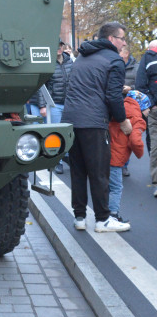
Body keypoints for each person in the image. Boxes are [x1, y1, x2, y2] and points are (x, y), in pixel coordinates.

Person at [61, 21, 132, 232]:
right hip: (93, 121)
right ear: (112, 39)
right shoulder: (114, 61)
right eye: (122, 39)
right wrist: (123, 120)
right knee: (100, 171)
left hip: (71, 119)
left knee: (78, 170)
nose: (124, 43)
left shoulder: (82, 56)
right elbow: (111, 95)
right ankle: (103, 219)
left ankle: (80, 217)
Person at [108, 90, 150, 223]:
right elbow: (135, 141)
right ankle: (113, 215)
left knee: (104, 186)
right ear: (142, 105)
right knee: (116, 188)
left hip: (104, 152)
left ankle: (102, 212)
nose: (148, 111)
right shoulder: (138, 120)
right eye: (148, 108)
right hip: (116, 158)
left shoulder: (118, 110)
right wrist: (140, 153)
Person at [45, 40, 73, 173]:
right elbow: (43, 86)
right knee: (56, 133)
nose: (59, 48)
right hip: (55, 104)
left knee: (69, 132)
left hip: (70, 103)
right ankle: (58, 162)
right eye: (56, 46)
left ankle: (67, 157)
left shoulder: (70, 62)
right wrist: (43, 105)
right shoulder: (48, 64)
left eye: (61, 45)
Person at [135, 39, 157, 197]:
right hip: (154, 109)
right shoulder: (148, 60)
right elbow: (141, 85)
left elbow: (140, 85)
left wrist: (150, 104)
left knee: (155, 145)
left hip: (154, 109)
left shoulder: (146, 60)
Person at [119, 44, 139, 176]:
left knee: (127, 135)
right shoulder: (114, 64)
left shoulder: (136, 68)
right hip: (116, 103)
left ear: (126, 54)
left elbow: (140, 84)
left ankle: (124, 164)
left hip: (130, 104)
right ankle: (116, 163)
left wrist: (130, 88)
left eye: (120, 51)